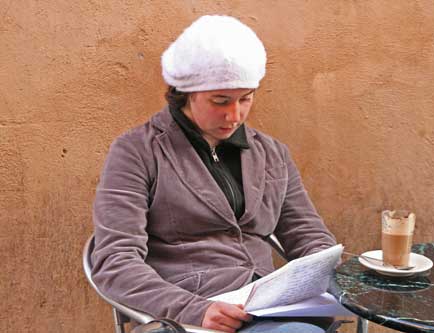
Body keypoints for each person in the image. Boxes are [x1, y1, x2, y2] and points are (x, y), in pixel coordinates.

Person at [91, 15, 337, 333]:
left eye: (245, 99)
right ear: (186, 93)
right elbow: (115, 261)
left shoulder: (272, 153)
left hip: (270, 309)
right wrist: (193, 309)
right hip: (192, 316)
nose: (234, 115)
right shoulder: (137, 151)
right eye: (220, 101)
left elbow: (310, 237)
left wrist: (328, 276)